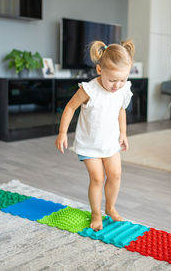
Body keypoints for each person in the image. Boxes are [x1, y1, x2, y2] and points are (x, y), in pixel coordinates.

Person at [55, 40, 134, 231]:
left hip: (110, 142)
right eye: (113, 80)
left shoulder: (122, 89)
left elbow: (121, 110)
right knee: (97, 178)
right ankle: (96, 213)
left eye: (122, 80)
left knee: (115, 175)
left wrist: (123, 133)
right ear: (100, 70)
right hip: (89, 144)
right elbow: (70, 107)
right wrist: (62, 132)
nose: (117, 85)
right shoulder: (89, 90)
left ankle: (110, 208)